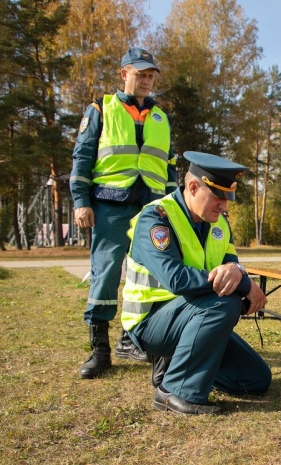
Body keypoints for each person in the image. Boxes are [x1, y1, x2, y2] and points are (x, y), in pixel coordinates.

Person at [120, 151, 271, 415]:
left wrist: (238, 273)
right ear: (193, 187)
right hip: (150, 321)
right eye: (219, 197)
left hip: (194, 315)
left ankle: (177, 364)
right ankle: (174, 391)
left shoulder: (219, 225)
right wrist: (246, 286)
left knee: (256, 380)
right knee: (225, 303)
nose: (225, 206)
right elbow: (176, 278)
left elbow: (232, 266)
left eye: (228, 198)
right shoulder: (156, 218)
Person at [70, 47, 178, 379]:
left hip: (151, 209)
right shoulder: (101, 109)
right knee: (105, 274)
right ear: (124, 74)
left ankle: (131, 339)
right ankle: (99, 351)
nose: (146, 81)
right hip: (110, 206)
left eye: (150, 76)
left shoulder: (161, 117)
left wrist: (176, 210)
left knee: (148, 277)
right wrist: (80, 201)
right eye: (140, 74)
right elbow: (82, 156)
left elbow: (170, 168)